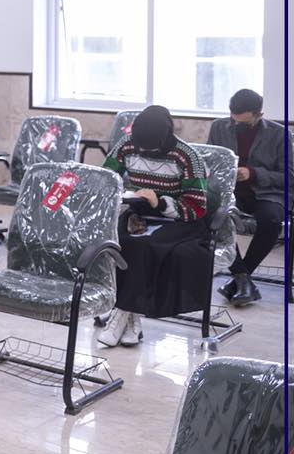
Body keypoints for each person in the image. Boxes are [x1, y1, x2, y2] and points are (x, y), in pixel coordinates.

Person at [99, 105, 211, 348]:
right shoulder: (127, 144)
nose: (143, 152)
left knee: (143, 246)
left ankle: (120, 314)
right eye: (140, 148)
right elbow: (106, 178)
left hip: (179, 220)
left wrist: (159, 202)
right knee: (118, 241)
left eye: (150, 149)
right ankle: (133, 322)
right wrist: (124, 199)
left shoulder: (187, 156)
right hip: (140, 212)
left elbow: (196, 208)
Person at [208, 89, 291, 306]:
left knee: (271, 220)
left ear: (259, 115)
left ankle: (240, 279)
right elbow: (211, 162)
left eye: (243, 123)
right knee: (212, 215)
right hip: (229, 192)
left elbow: (289, 176)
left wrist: (253, 173)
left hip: (266, 194)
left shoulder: (280, 135)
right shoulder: (219, 127)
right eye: (233, 119)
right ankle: (242, 278)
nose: (236, 125)